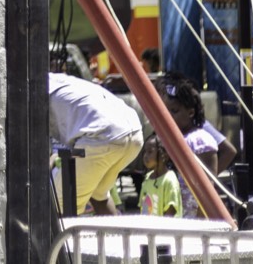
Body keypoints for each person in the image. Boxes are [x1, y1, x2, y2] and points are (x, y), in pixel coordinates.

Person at [48, 71, 144, 215]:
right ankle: (117, 237)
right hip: (133, 129)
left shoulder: (31, 89)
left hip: (103, 135)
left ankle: (65, 238)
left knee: (55, 203)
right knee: (99, 195)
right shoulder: (58, 81)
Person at [157, 74, 235, 217]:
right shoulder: (172, 139)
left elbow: (207, 187)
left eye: (174, 111)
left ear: (191, 112)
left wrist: (201, 218)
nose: (168, 116)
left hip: (191, 216)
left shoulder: (200, 140)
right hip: (173, 214)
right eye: (165, 111)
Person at [138, 136, 182, 218]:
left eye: (150, 152)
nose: (145, 156)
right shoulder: (147, 178)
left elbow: (171, 212)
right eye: (145, 152)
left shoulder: (169, 180)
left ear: (164, 155)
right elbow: (143, 207)